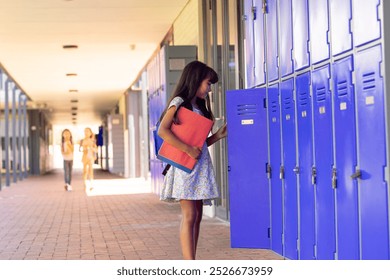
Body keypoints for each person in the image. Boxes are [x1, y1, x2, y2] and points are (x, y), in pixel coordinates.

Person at [158, 60, 227, 260]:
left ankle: (192, 260)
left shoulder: (201, 107)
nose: (209, 88)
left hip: (199, 165)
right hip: (185, 167)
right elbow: (163, 130)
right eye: (208, 83)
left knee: (196, 217)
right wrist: (187, 149)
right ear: (195, 80)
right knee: (189, 216)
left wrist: (218, 136)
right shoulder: (179, 102)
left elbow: (200, 145)